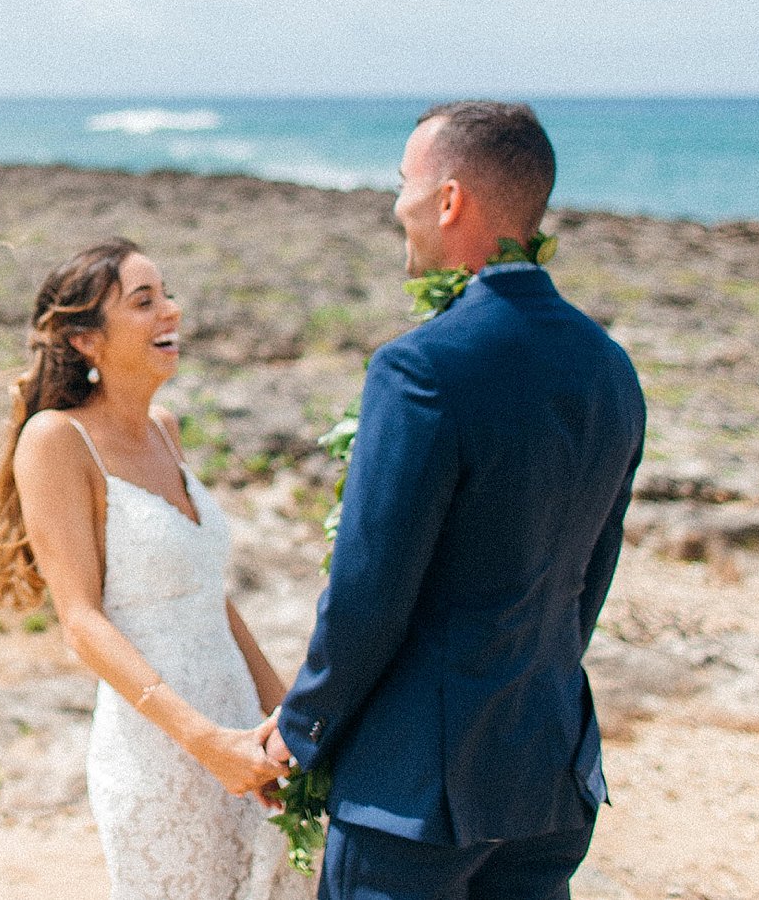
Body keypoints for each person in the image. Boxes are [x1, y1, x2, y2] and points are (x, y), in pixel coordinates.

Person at [256, 102, 646, 900]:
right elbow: (588, 579)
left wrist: (301, 729)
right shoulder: (610, 369)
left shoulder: (421, 369)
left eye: (405, 183)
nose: (396, 204)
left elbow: (371, 593)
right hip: (548, 765)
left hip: (415, 794)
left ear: (449, 200)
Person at [0, 238, 308, 900]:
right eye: (144, 302)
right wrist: (203, 742)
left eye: (166, 295)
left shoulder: (166, 428)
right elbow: (81, 622)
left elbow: (211, 597)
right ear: (87, 340)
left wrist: (289, 710)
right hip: (161, 749)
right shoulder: (57, 440)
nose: (170, 311)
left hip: (238, 728)